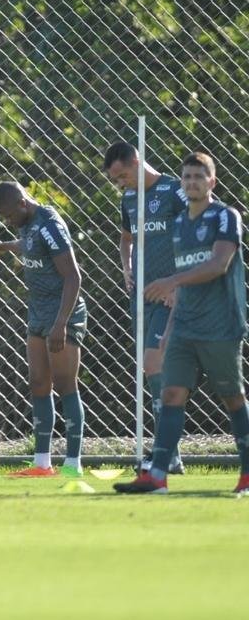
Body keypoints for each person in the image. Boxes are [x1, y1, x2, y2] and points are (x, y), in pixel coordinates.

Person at [116, 152, 249, 495]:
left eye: (198, 177)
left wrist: (172, 282)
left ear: (212, 183)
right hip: (185, 324)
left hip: (219, 324)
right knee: (172, 392)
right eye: (187, 177)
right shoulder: (178, 226)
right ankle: (158, 475)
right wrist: (172, 324)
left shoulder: (225, 217)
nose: (191, 183)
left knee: (232, 397)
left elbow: (219, 264)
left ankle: (247, 472)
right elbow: (183, 282)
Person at [0, 182, 88, 478]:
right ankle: (42, 464)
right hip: (38, 312)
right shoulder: (27, 224)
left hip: (61, 313)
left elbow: (73, 277)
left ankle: (72, 464)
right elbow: (28, 245)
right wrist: (3, 247)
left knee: (67, 384)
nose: (8, 222)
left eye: (8, 216)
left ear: (22, 204)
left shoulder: (49, 225)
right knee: (39, 383)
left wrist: (60, 325)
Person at [102, 141, 187, 473]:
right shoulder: (128, 199)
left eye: (123, 176)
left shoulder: (173, 191)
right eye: (115, 180)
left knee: (154, 363)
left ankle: (167, 451)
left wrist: (180, 282)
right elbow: (126, 238)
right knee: (152, 369)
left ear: (137, 162)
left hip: (173, 295)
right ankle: (171, 453)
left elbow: (200, 230)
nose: (120, 184)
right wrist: (127, 267)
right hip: (144, 296)